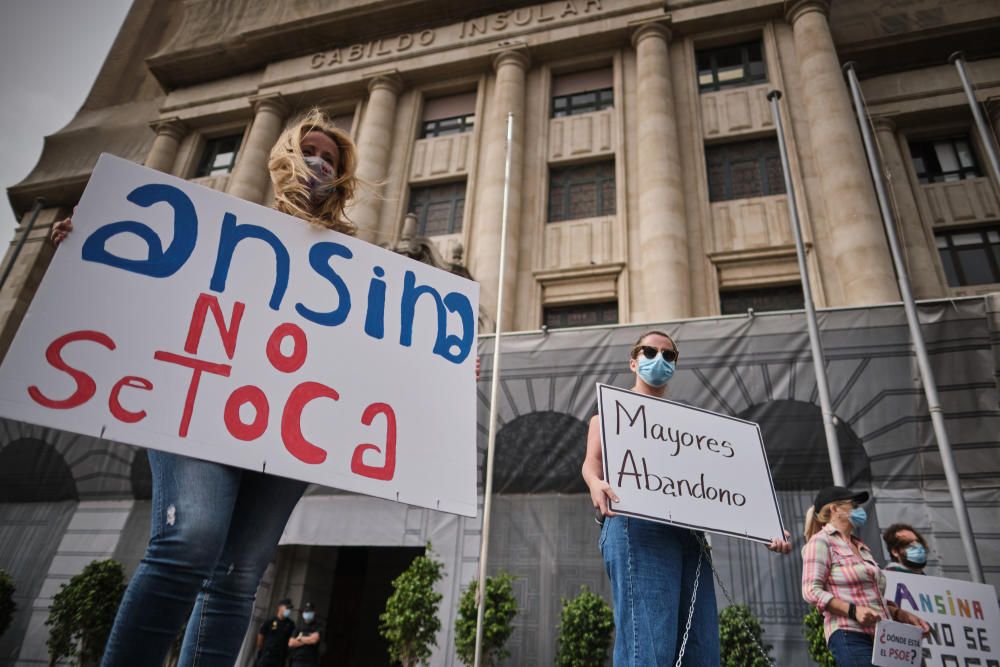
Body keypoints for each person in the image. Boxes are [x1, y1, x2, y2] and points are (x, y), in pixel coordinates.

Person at [53, 109, 360, 666]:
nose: (319, 162)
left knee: (241, 574)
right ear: (283, 158)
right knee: (189, 540)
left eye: (331, 159)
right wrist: (85, 247)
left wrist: (448, 372)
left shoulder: (361, 266)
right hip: (198, 402)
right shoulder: (220, 224)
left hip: (288, 424)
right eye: (309, 150)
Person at [582, 329, 792, 666]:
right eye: (650, 352)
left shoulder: (691, 426)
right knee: (649, 646)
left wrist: (768, 526)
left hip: (690, 535)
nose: (659, 360)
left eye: (669, 355)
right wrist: (595, 483)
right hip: (637, 526)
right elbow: (592, 463)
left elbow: (728, 485)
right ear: (634, 361)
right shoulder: (610, 412)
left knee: (701, 648)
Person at [801, 486, 930, 666]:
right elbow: (810, 591)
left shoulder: (861, 547)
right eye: (853, 505)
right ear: (834, 509)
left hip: (884, 637)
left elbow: (871, 599)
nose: (859, 510)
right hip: (850, 634)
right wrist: (853, 611)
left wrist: (901, 614)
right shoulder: (821, 542)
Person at [255, 598, 297, 667]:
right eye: (287, 608)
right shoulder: (270, 621)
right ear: (280, 607)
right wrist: (263, 649)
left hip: (280, 658)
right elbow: (260, 637)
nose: (288, 610)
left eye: (290, 609)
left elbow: (291, 640)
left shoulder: (291, 624)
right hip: (267, 656)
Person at [288, 601, 322, 666]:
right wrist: (308, 639)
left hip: (311, 662)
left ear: (314, 613)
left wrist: (300, 638)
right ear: (303, 613)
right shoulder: (299, 626)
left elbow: (314, 640)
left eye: (310, 612)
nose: (307, 613)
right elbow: (291, 643)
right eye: (306, 612)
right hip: (297, 660)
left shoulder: (318, 626)